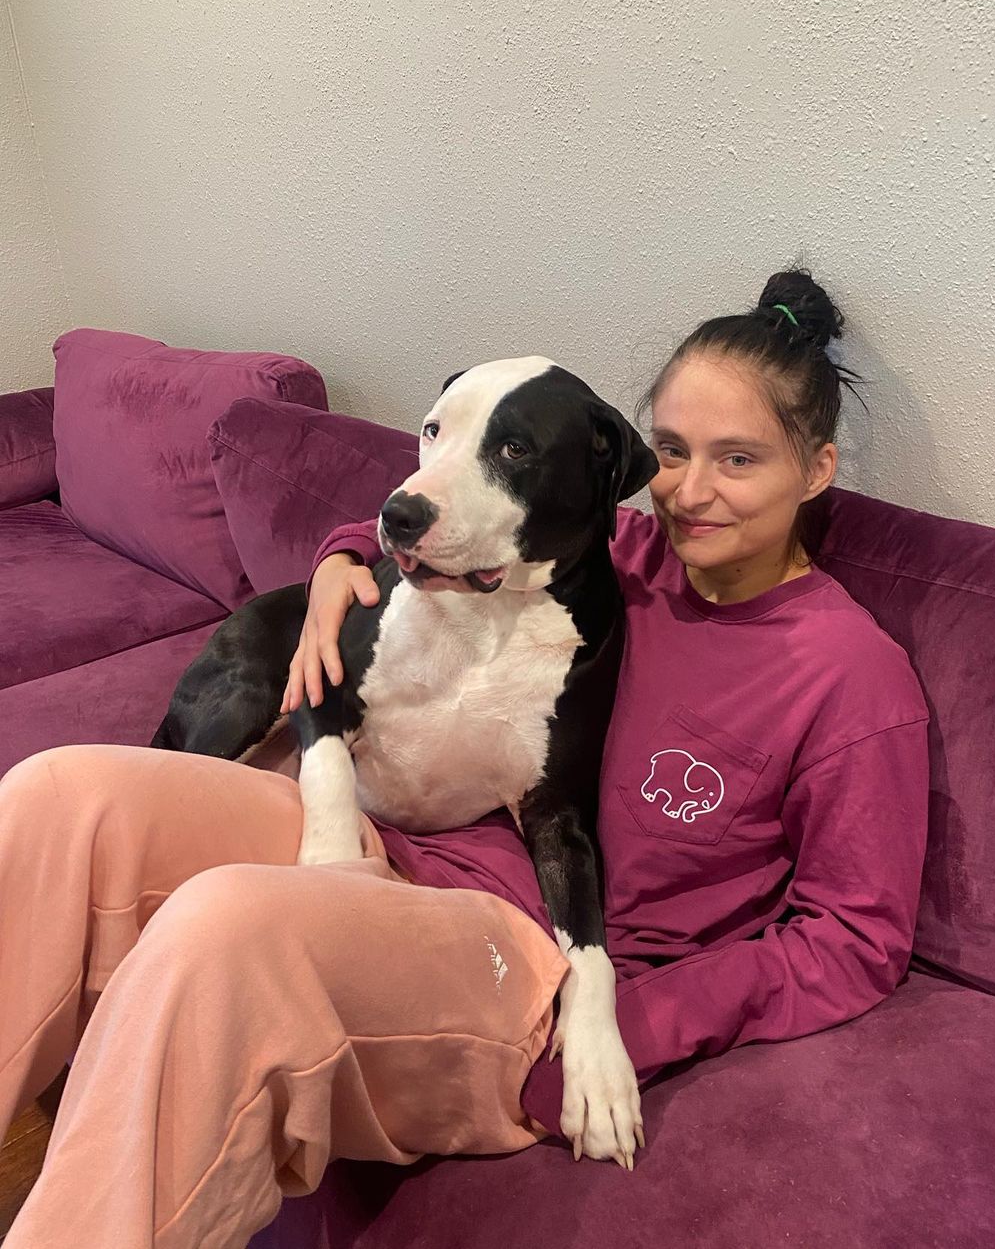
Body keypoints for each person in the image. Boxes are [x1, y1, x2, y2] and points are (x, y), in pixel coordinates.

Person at [0, 270, 928, 1248]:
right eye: (673, 453)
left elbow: (856, 943)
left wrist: (630, 1022)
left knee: (223, 928)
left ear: (816, 468)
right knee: (65, 795)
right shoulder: (630, 557)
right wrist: (336, 566)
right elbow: (436, 522)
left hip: (526, 962)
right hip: (405, 840)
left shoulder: (852, 678)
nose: (691, 493)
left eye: (737, 460)